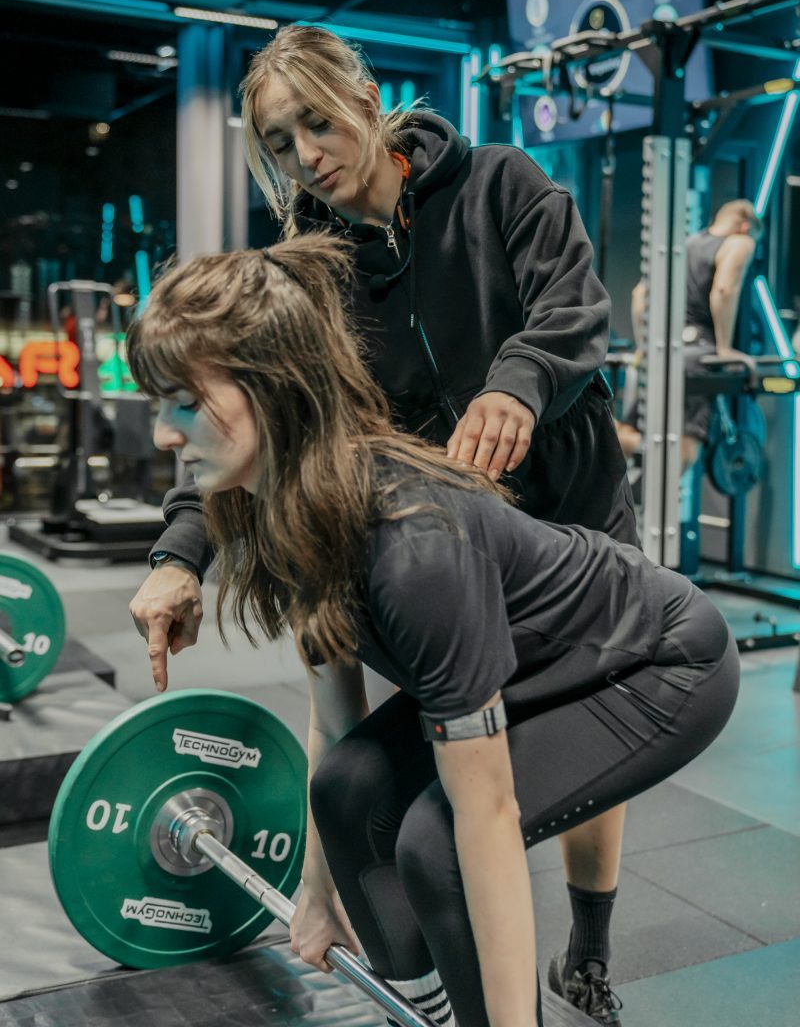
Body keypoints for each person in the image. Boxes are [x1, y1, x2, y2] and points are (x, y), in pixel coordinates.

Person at [130, 25, 638, 1023]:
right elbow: (254, 418)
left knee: (586, 743)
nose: (306, 152)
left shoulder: (497, 183)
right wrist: (179, 553)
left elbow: (575, 310)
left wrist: (517, 386)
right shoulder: (311, 273)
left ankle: (586, 943)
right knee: (431, 795)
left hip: (568, 515)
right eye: (280, 142)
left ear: (365, 96)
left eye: (316, 121)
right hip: (446, 546)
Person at [126, 238, 739, 1027]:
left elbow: (483, 817)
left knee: (435, 844)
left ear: (271, 387)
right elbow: (335, 721)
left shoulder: (412, 546)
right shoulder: (288, 502)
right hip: (537, 661)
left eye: (181, 402)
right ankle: (423, 1012)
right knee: (344, 791)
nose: (164, 438)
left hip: (659, 663)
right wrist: (318, 893)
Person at [616, 199, 762, 471]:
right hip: (698, 357)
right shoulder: (740, 243)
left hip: (666, 355)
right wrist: (725, 347)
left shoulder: (685, 244)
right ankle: (653, 451)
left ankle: (620, 440)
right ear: (745, 226)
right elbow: (723, 291)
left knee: (626, 432)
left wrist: (644, 346)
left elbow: (639, 297)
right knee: (684, 453)